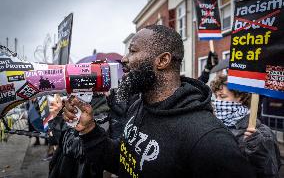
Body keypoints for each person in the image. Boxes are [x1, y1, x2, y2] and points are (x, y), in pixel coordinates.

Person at [63, 25, 256, 178]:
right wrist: (89, 131)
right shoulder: (138, 105)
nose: (124, 59)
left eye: (132, 51)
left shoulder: (209, 139)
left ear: (162, 60)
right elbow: (125, 162)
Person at [210, 74, 281, 178]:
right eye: (215, 96)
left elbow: (270, 173)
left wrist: (257, 147)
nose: (217, 101)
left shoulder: (263, 133)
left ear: (241, 97)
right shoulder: (216, 125)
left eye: (222, 96)